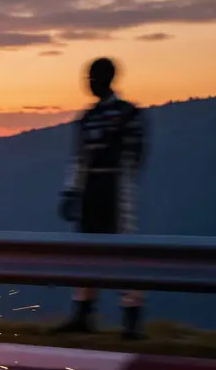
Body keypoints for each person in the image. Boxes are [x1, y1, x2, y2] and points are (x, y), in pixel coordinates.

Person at [53, 57, 147, 338]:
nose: (91, 83)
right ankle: (83, 315)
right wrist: (71, 191)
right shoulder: (88, 117)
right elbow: (79, 158)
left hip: (116, 186)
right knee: (86, 252)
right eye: (89, 78)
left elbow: (135, 157)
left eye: (94, 78)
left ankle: (131, 320)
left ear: (108, 79)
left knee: (123, 252)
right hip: (91, 188)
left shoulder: (127, 113)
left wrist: (125, 189)